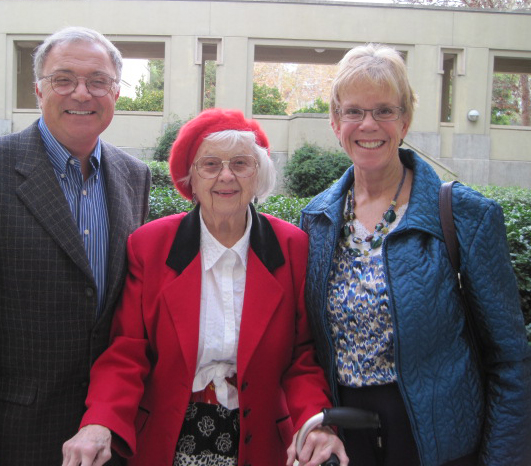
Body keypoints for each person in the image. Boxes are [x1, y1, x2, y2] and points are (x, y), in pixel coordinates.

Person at [61, 108, 348, 466]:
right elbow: (127, 351)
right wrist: (100, 420)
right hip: (167, 435)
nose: (226, 176)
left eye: (241, 163)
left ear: (258, 175)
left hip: (261, 442)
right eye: (210, 164)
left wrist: (314, 423)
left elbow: (301, 358)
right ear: (190, 179)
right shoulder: (150, 246)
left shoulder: (292, 247)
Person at [0, 26, 150, 466]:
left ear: (116, 92)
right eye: (63, 79)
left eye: (97, 80)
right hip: (14, 437)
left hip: (110, 435)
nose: (81, 93)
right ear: (38, 89)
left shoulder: (133, 175)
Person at [300, 43, 531, 466]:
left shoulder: (466, 216)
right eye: (353, 111)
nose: (368, 124)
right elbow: (305, 347)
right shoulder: (315, 220)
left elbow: (510, 360)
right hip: (346, 442)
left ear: (405, 120)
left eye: (384, 110)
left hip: (437, 442)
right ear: (335, 122)